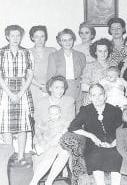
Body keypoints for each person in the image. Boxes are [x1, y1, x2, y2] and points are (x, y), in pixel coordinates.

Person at [68, 84, 123, 185]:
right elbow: (73, 127)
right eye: (94, 95)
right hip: (94, 145)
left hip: (114, 143)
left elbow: (123, 129)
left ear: (105, 95)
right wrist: (91, 136)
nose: (97, 98)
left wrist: (114, 143)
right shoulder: (85, 110)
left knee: (117, 155)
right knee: (96, 156)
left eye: (100, 94)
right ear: (89, 97)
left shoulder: (115, 110)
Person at [30, 75, 75, 185]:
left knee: (64, 151)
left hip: (62, 135)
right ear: (50, 88)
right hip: (44, 137)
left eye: (62, 87)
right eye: (56, 87)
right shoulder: (41, 103)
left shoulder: (69, 101)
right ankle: (35, 182)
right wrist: (42, 141)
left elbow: (70, 123)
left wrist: (58, 136)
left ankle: (47, 182)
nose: (60, 90)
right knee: (54, 150)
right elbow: (37, 125)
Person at [0, 25, 34, 165]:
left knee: (22, 124)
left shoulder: (26, 53)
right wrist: (9, 93)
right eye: (12, 35)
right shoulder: (1, 52)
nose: (15, 38)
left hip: (22, 88)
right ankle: (9, 156)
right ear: (7, 36)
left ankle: (20, 157)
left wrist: (20, 93)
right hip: (5, 89)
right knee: (7, 125)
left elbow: (30, 75)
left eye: (18, 35)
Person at [47, 28, 86, 112]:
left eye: (70, 39)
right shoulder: (54, 56)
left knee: (77, 115)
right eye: (64, 40)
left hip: (77, 90)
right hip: (61, 90)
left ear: (73, 40)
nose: (67, 42)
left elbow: (84, 74)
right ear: (60, 42)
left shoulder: (80, 55)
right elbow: (50, 78)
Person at [29, 25, 57, 105]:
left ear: (45, 37)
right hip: (34, 87)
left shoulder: (52, 51)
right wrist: (41, 86)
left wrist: (48, 86)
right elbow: (27, 74)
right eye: (37, 37)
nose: (40, 39)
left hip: (50, 87)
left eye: (42, 36)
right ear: (32, 38)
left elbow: (56, 71)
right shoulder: (27, 52)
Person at [81, 38, 114, 104]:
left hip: (111, 98)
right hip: (94, 99)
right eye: (100, 51)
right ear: (95, 52)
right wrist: (100, 89)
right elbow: (83, 87)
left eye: (105, 51)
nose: (103, 54)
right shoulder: (89, 66)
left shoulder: (113, 66)